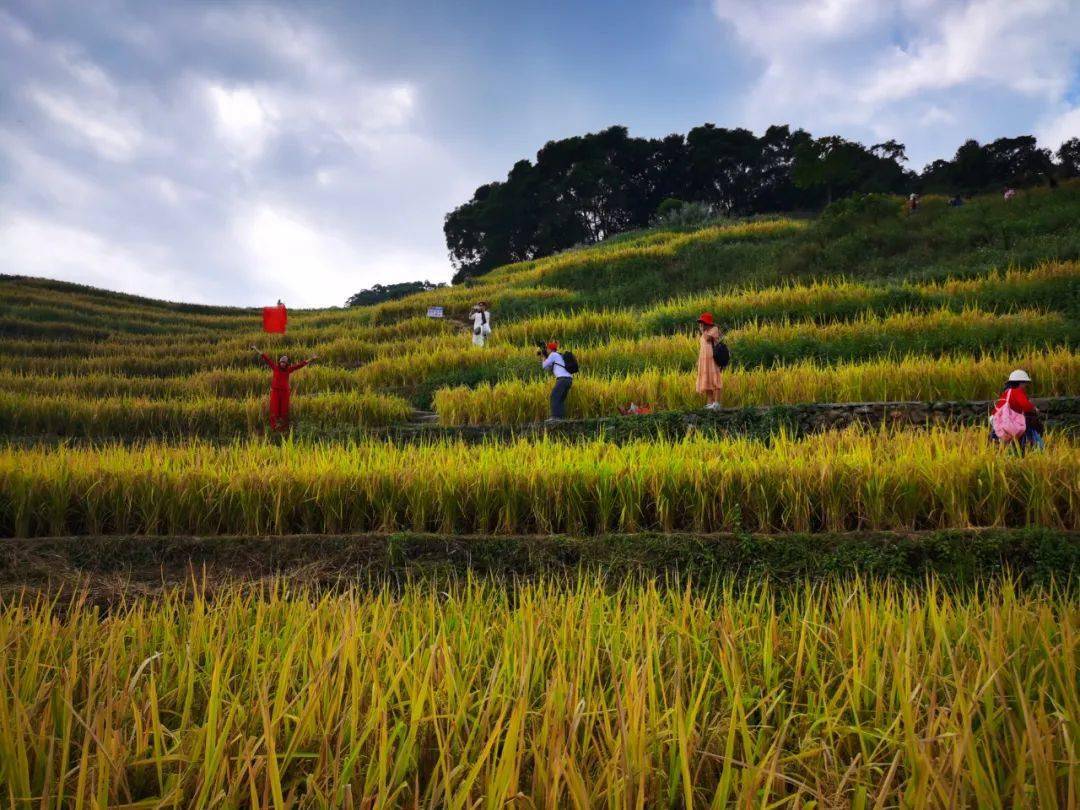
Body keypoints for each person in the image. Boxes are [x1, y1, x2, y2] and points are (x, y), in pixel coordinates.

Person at [251, 346, 318, 431]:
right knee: (274, 409)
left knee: (284, 410)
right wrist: (256, 348)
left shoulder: (288, 370)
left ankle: (283, 428)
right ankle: (274, 427)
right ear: (279, 362)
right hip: (275, 392)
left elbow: (300, 365)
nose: (283, 363)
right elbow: (265, 357)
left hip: (285, 392)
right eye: (282, 362)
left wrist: (311, 359)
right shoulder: (275, 367)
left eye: (284, 362)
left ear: (286, 363)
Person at [990, 369, 1044, 451]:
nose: (1026, 385)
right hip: (1009, 422)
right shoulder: (1017, 391)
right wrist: (1034, 408)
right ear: (1020, 382)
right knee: (1024, 434)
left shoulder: (1007, 392)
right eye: (1025, 383)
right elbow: (1025, 405)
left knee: (1003, 443)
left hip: (997, 420)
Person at [695, 313, 724, 409]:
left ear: (707, 323)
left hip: (712, 359)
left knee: (715, 380)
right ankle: (710, 403)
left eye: (702, 323)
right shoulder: (705, 331)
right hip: (704, 360)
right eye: (700, 323)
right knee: (706, 380)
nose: (701, 325)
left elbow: (707, 338)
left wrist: (703, 330)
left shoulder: (714, 329)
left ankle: (717, 403)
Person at [540, 340, 573, 420]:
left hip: (562, 379)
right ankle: (561, 418)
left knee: (554, 396)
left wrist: (543, 358)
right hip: (569, 380)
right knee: (560, 399)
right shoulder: (559, 355)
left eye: (547, 349)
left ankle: (555, 417)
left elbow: (544, 366)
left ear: (549, 349)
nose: (546, 351)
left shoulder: (553, 355)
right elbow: (548, 368)